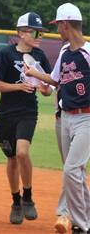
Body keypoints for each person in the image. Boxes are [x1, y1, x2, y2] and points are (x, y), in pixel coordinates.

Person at [25, 3, 90, 234]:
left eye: (58, 25)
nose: (57, 29)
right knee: (76, 172)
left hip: (87, 118)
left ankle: (81, 226)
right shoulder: (64, 52)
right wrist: (34, 73)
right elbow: (55, 81)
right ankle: (87, 217)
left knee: (72, 170)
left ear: (65, 24)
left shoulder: (88, 52)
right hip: (65, 117)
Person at [0, 12, 52, 225]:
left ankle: (28, 197)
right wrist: (19, 86)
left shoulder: (40, 56)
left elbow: (48, 89)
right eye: (34, 31)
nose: (39, 35)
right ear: (21, 32)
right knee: (11, 159)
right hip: (6, 114)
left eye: (40, 32)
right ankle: (15, 202)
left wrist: (44, 87)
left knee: (22, 152)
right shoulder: (6, 54)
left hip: (28, 111)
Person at [54, 86, 71, 234]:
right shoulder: (63, 61)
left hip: (84, 118)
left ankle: (64, 214)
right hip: (62, 118)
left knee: (72, 168)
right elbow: (55, 81)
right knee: (70, 167)